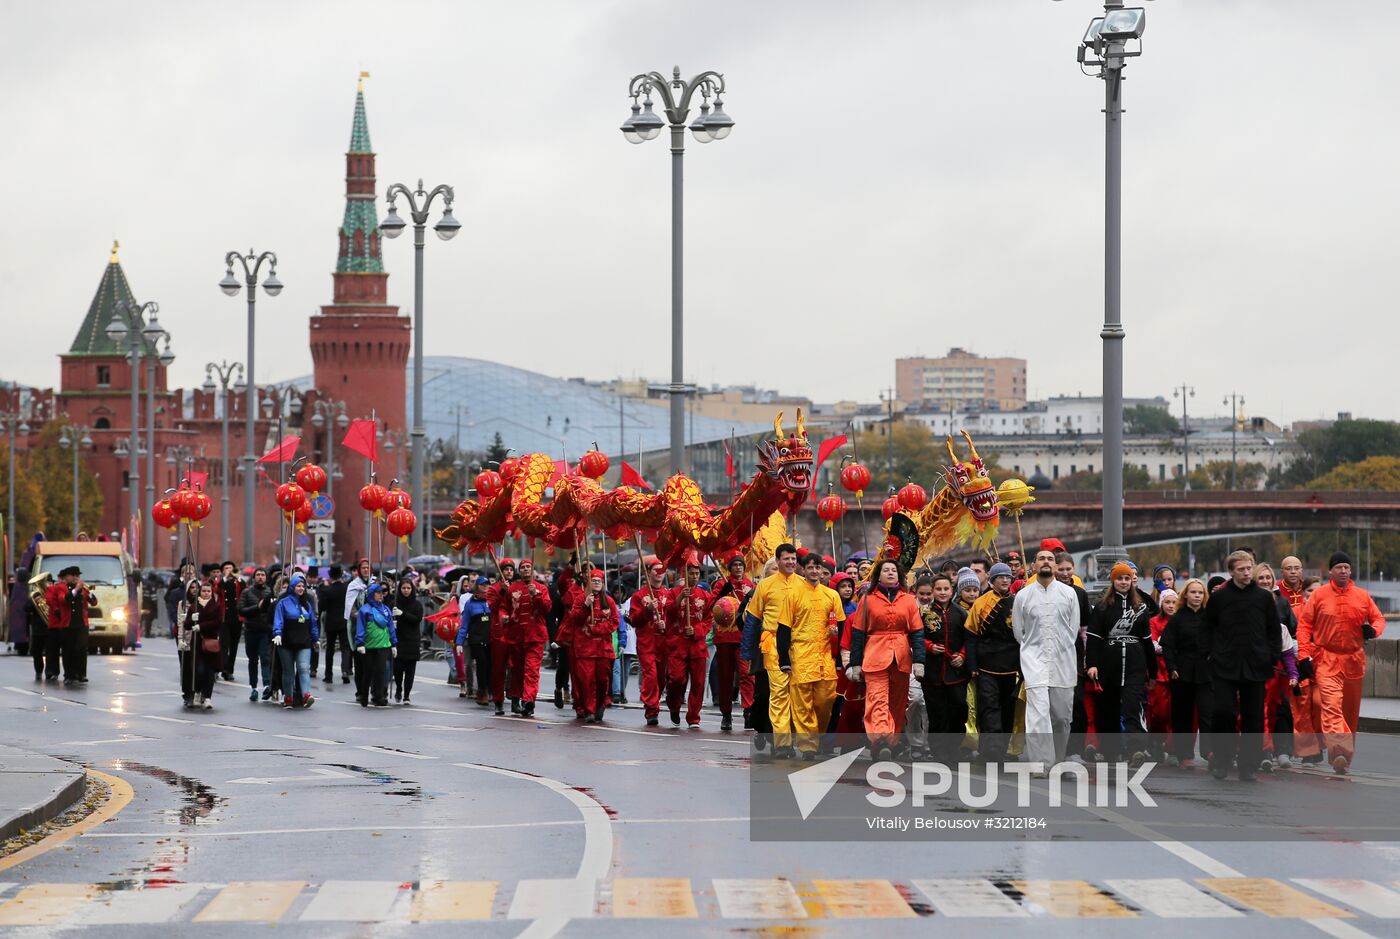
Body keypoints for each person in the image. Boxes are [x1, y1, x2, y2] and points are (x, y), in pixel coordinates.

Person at [1297, 551, 1386, 775]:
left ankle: (1344, 758)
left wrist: (1373, 630)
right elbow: (1304, 626)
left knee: (1349, 712)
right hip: (1327, 659)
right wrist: (1304, 656)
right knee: (1331, 705)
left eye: (1346, 567)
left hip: (1354, 660)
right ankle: (1338, 751)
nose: (1343, 571)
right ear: (1330, 571)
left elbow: (1378, 619)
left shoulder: (1363, 596)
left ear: (1351, 570)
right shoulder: (1319, 596)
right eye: (1339, 567)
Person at [1202, 550, 1281, 782]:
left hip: (1256, 664)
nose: (1247, 573)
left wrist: (1272, 656)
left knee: (1253, 717)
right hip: (1225, 663)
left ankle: (1248, 765)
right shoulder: (1219, 598)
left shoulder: (1264, 598)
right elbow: (1207, 629)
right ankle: (1222, 760)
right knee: (1223, 712)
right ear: (1231, 572)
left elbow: (1274, 630)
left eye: (1249, 568)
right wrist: (1209, 655)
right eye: (1241, 569)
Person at [846, 558, 922, 761]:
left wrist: (919, 661)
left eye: (894, 570)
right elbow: (858, 634)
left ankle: (891, 743)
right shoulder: (868, 599)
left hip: (902, 656)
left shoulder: (908, 600)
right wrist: (854, 663)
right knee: (877, 700)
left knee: (897, 705)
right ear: (878, 575)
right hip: (875, 655)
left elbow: (917, 632)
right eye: (886, 570)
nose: (890, 573)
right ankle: (880, 740)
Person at [1012, 549, 1081, 771]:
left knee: (1061, 717)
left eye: (1050, 559)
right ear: (1034, 566)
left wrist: (1060, 647)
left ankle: (1058, 759)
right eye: (1041, 558)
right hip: (1034, 662)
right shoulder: (1023, 596)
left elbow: (1074, 629)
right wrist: (1033, 650)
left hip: (1063, 662)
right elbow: (1018, 631)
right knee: (1038, 716)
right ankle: (1040, 763)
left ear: (1055, 566)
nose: (1046, 562)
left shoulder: (1069, 594)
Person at [1087, 563, 1156, 766]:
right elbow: (1093, 639)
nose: (1124, 582)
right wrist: (1092, 664)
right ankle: (1110, 750)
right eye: (1120, 579)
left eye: (1127, 579)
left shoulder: (1140, 607)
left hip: (1135, 663)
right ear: (1113, 580)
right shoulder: (1102, 607)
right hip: (1109, 663)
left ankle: (1136, 748)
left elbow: (1147, 641)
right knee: (1107, 707)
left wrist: (1153, 672)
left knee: (1132, 705)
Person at [742, 544, 803, 756]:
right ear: (777, 560)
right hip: (772, 644)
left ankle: (792, 739)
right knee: (776, 693)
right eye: (786, 559)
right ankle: (782, 743)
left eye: (793, 558)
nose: (791, 562)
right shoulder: (765, 586)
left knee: (795, 694)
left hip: (798, 645)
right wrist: (748, 651)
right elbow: (753, 619)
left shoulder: (804, 585)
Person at [965, 562, 1018, 763]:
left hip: (1012, 666)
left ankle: (1003, 749)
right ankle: (991, 750)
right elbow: (971, 636)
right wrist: (972, 665)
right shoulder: (981, 603)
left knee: (1008, 709)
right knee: (988, 708)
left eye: (1007, 577)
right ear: (992, 580)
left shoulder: (1018, 602)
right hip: (986, 665)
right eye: (1000, 577)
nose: (1005, 580)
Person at [1160, 578, 1212, 766]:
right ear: (1186, 595)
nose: (1197, 596)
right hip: (1182, 672)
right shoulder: (1178, 618)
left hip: (1206, 672)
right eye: (1193, 592)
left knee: (1208, 712)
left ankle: (1209, 750)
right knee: (1183, 715)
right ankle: (1184, 754)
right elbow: (1167, 645)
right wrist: (1172, 667)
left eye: (1200, 592)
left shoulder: (1210, 618)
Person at [919, 572, 968, 764]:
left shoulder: (961, 613)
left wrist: (963, 656)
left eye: (946, 589)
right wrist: (929, 647)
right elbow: (915, 637)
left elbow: (969, 639)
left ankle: (955, 749)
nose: (942, 592)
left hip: (956, 672)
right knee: (937, 713)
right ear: (932, 591)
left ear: (952, 590)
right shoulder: (923, 613)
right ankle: (939, 752)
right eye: (938, 589)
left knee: (958, 710)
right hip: (933, 672)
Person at [557, 568, 618, 723]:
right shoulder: (580, 599)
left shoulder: (609, 601)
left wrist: (597, 629)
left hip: (603, 649)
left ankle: (600, 704)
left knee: (603, 680)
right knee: (586, 680)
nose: (597, 582)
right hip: (584, 648)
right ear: (588, 583)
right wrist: (585, 605)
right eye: (594, 580)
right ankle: (589, 710)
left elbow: (615, 622)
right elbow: (575, 619)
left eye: (599, 580)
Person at [1254, 563, 1297, 769]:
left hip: (1277, 674)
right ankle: (1264, 751)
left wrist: (1293, 673)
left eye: (1267, 578)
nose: (1265, 581)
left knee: (1281, 711)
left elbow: (1288, 649)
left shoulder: (1280, 621)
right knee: (1259, 712)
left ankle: (1282, 750)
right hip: (1255, 672)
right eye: (1260, 578)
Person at [499, 558, 551, 717]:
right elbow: (503, 607)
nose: (526, 570)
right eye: (523, 568)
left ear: (533, 569)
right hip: (516, 636)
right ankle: (515, 697)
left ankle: (528, 701)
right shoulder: (512, 588)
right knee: (516, 669)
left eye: (528, 567)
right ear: (519, 571)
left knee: (532, 670)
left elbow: (547, 608)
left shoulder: (541, 588)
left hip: (535, 636)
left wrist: (536, 595)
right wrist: (504, 616)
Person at [666, 561, 713, 728]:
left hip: (697, 646)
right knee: (676, 680)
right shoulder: (673, 593)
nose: (694, 577)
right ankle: (674, 706)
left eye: (696, 574)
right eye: (691, 574)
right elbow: (669, 614)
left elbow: (708, 619)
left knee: (699, 683)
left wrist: (696, 630)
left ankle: (694, 716)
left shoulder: (705, 596)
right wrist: (680, 598)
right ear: (683, 575)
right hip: (678, 646)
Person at [711, 553, 754, 731]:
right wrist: (721, 593)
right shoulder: (721, 583)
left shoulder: (750, 585)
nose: (738, 568)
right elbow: (710, 606)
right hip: (725, 638)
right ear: (729, 568)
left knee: (747, 675)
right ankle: (726, 714)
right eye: (735, 565)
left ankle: (748, 711)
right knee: (725, 676)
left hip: (744, 638)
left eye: (740, 565)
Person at [628, 560, 673, 727]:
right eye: (656, 570)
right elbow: (634, 620)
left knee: (661, 679)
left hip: (664, 643)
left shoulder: (668, 595)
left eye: (662, 570)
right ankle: (651, 709)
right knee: (651, 675)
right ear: (649, 573)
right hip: (647, 643)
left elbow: (674, 619)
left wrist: (666, 625)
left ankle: (655, 700)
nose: (659, 573)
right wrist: (647, 611)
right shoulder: (639, 596)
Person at [272, 574, 318, 709]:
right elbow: (278, 620)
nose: (301, 588)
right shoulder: (283, 603)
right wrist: (277, 633)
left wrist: (315, 638)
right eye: (298, 586)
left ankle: (306, 695)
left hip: (303, 641)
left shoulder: (307, 604)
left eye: (303, 586)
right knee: (288, 671)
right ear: (292, 587)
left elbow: (313, 623)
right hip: (286, 641)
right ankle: (288, 697)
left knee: (304, 668)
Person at [45, 566, 92, 685]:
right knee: (68, 650)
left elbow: (93, 602)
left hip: (82, 623)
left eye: (78, 576)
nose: (76, 578)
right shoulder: (61, 587)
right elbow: (64, 599)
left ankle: (81, 674)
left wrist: (89, 593)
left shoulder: (83, 589)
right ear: (67, 577)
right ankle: (69, 675)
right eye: (74, 575)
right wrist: (76, 589)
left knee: (81, 649)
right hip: (67, 623)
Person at [354, 581, 397, 708]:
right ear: (372, 594)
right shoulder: (364, 610)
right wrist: (360, 643)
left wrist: (394, 643)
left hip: (383, 646)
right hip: (369, 646)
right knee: (368, 672)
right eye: (378, 593)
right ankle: (364, 695)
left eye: (382, 593)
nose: (381, 595)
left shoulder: (386, 609)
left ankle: (378, 697)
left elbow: (390, 627)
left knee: (380, 672)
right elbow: (360, 627)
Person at [1146, 588, 1178, 758]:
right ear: (1161, 604)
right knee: (1159, 710)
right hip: (1159, 670)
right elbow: (1154, 645)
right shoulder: (1154, 621)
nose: (1171, 606)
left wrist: (1165, 646)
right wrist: (1169, 647)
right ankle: (1156, 738)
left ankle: (1170, 747)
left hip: (1176, 670)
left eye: (1174, 602)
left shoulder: (1180, 621)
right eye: (1167, 602)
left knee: (1175, 711)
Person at [184, 580, 222, 710]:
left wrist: (201, 626)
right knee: (199, 670)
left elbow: (217, 622)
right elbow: (186, 625)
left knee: (209, 672)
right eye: (204, 591)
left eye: (208, 591)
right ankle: (198, 691)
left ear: (212, 593)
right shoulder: (194, 606)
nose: (206, 593)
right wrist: (191, 619)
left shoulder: (216, 606)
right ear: (200, 592)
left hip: (211, 642)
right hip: (198, 643)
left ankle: (207, 697)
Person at [238, 567, 275, 702]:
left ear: (266, 577)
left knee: (265, 658)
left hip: (265, 630)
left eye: (262, 575)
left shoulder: (270, 592)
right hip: (251, 630)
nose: (260, 577)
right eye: (258, 575)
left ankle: (266, 685)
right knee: (253, 660)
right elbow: (241, 610)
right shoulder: (247, 592)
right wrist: (256, 607)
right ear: (254, 577)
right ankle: (253, 687)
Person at [485, 558, 516, 716]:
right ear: (501, 571)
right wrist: (503, 591)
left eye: (511, 569)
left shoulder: (517, 587)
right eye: (506, 569)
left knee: (516, 666)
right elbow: (492, 607)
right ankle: (498, 700)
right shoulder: (493, 589)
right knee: (498, 669)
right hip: (499, 633)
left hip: (516, 632)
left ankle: (515, 697)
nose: (509, 572)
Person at [457, 577, 493, 705]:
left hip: (491, 639)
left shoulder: (493, 600)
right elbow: (464, 624)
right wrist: (459, 642)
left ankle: (490, 690)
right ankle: (482, 691)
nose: (485, 586)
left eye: (487, 584)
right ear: (477, 586)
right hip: (476, 640)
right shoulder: (470, 603)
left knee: (491, 666)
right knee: (482, 664)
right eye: (482, 584)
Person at [343, 558, 373, 701]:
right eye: (363, 568)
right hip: (357, 627)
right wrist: (361, 615)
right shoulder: (353, 586)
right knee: (360, 662)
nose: (366, 570)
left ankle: (372, 690)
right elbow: (351, 608)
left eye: (368, 567)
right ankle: (360, 691)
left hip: (374, 627)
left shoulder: (375, 583)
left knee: (372, 662)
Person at [393, 576, 423, 705]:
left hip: (412, 640)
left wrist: (402, 614)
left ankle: (406, 695)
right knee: (398, 669)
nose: (406, 590)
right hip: (398, 639)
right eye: (403, 588)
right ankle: (398, 688)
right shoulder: (394, 603)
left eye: (408, 588)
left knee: (410, 670)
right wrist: (392, 621)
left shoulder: (417, 604)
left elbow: (417, 619)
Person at [319, 565, 350, 684]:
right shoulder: (346, 588)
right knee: (345, 648)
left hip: (331, 621)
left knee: (330, 650)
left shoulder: (327, 590)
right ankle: (345, 671)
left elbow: (322, 606)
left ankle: (328, 675)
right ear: (341, 574)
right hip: (343, 620)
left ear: (330, 575)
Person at [216, 561, 243, 682]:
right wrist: (225, 578)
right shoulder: (221, 582)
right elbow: (216, 589)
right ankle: (224, 668)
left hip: (236, 617)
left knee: (234, 645)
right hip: (224, 617)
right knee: (224, 644)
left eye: (231, 568)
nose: (229, 570)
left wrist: (239, 578)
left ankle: (229, 670)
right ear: (223, 571)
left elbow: (244, 589)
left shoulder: (238, 581)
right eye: (226, 568)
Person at [23, 570, 49, 681]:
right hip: (38, 628)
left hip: (49, 628)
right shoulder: (35, 595)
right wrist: (35, 602)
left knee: (50, 652)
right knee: (36, 651)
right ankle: (38, 671)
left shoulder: (51, 594)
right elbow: (26, 608)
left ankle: (49, 672)